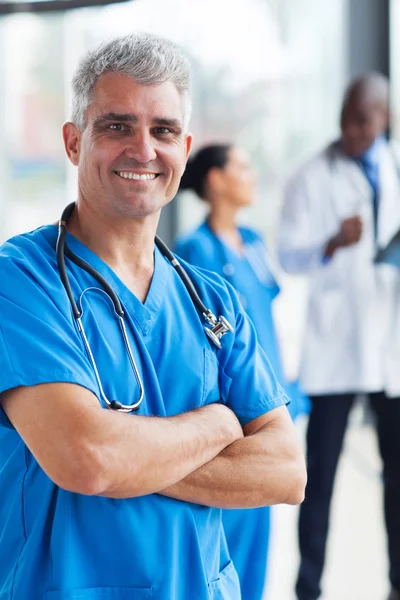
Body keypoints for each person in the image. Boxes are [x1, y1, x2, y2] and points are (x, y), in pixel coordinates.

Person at [0, 33, 306, 600]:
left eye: (163, 131)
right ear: (74, 142)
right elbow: (87, 460)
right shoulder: (20, 281)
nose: (143, 149)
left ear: (184, 149)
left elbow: (286, 470)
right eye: (116, 126)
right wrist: (219, 425)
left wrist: (128, 455)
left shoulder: (213, 302)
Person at [278, 72, 400, 600]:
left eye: (363, 121)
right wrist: (331, 241)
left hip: (387, 342)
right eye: (345, 120)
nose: (351, 130)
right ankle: (309, 589)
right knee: (318, 480)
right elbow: (286, 254)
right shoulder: (311, 176)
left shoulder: (394, 166)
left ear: (385, 120)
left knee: (398, 481)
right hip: (334, 348)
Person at [174, 143, 308, 600]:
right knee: (225, 542)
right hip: (230, 421)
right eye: (242, 167)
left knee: (259, 540)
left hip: (267, 408)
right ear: (216, 180)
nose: (252, 176)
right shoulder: (195, 250)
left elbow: (265, 321)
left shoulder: (253, 242)